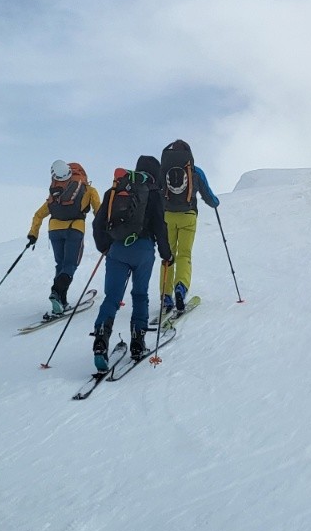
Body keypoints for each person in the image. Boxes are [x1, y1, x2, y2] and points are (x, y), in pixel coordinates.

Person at [90, 155, 174, 366]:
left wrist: (105, 246)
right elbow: (160, 226)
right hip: (143, 250)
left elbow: (98, 222)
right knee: (140, 295)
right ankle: (138, 342)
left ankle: (100, 340)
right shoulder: (154, 194)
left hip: (117, 249)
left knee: (112, 297)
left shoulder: (116, 189)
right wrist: (166, 254)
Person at [28, 160, 101, 316]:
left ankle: (61, 300)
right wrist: (106, 231)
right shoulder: (88, 190)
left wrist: (33, 234)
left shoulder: (55, 193)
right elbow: (99, 212)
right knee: (70, 264)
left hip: (55, 230)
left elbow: (38, 215)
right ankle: (56, 292)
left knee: (60, 265)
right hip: (75, 229)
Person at [158, 139, 220, 314]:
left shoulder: (163, 170)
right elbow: (208, 196)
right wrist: (215, 203)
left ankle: (166, 296)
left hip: (168, 217)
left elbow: (156, 191)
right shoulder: (195, 171)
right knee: (184, 254)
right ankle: (181, 287)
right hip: (188, 216)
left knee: (168, 255)